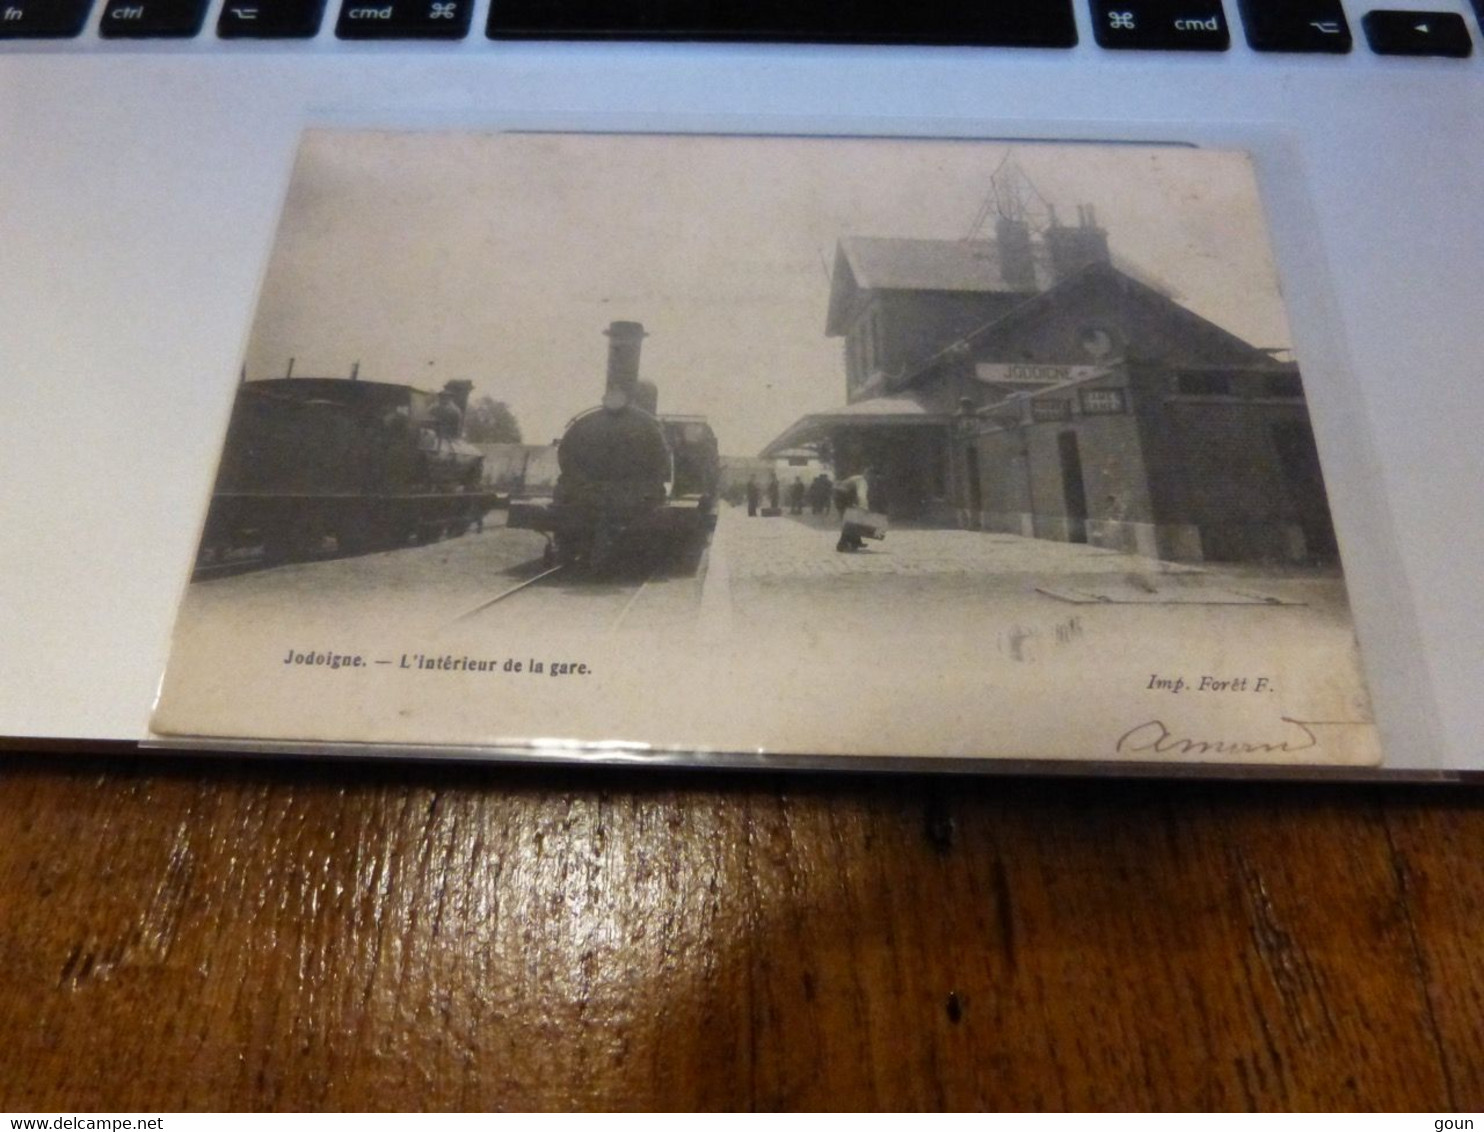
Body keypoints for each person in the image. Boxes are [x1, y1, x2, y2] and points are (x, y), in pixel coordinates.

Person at [835, 469, 873, 552]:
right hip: (844, 499)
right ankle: (842, 544)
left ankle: (856, 542)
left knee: (853, 520)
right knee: (851, 521)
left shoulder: (856, 478)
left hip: (839, 497)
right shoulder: (862, 481)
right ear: (869, 475)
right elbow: (861, 496)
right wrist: (865, 509)